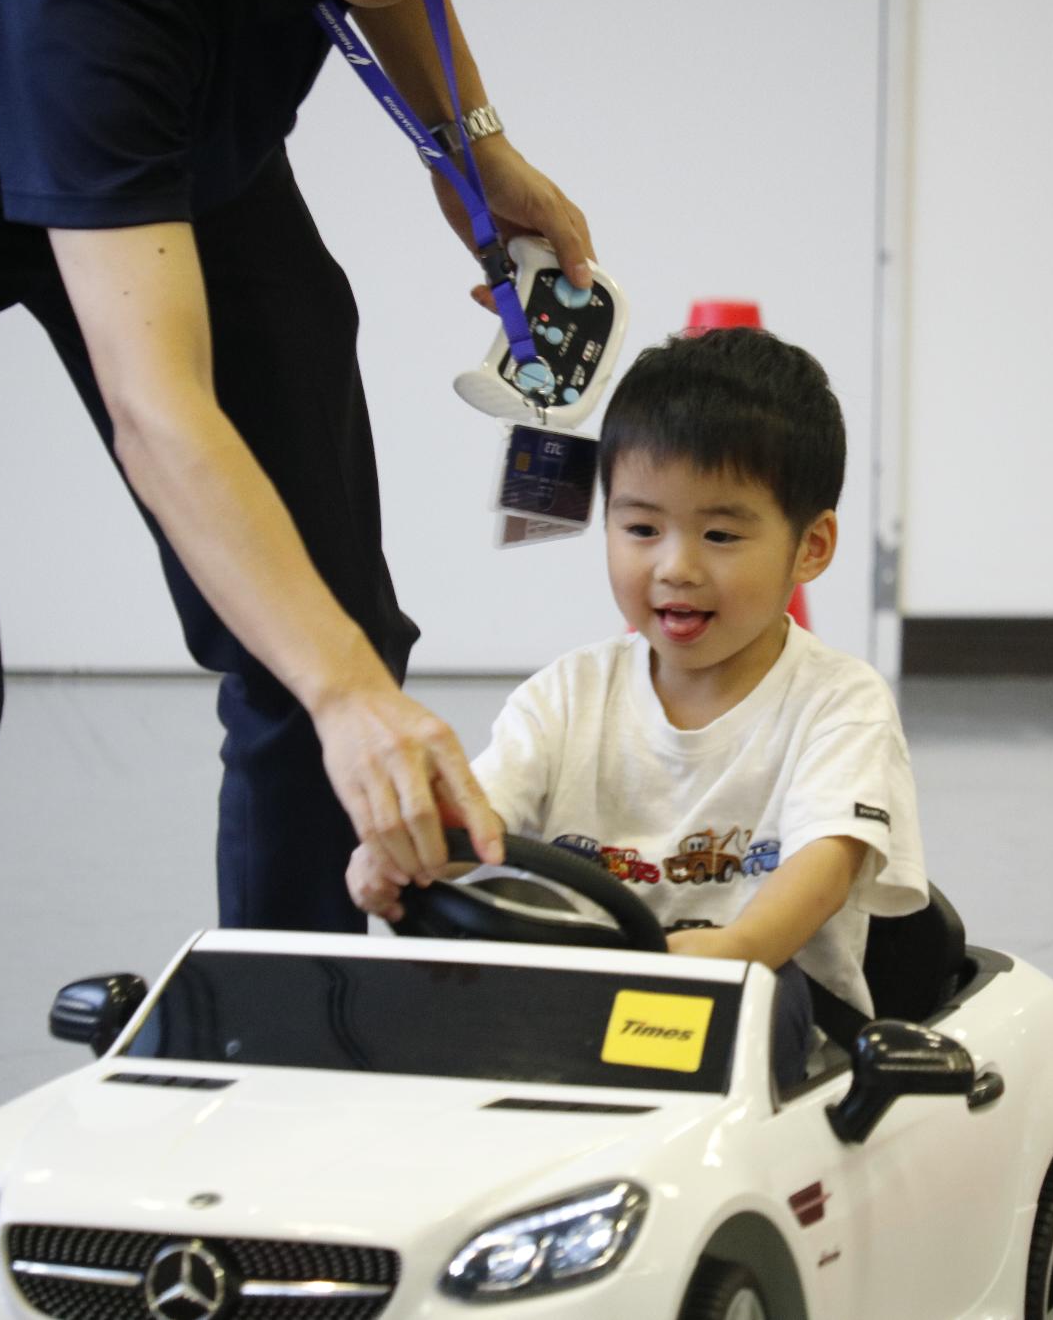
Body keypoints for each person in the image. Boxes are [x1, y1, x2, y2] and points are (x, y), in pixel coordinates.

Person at [0, 0, 586, 1303]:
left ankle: (272, 1131)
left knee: (329, 612)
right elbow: (160, 412)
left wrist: (474, 150)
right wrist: (349, 695)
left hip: (171, 144)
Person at [347, 327, 930, 1086]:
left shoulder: (838, 702)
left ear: (811, 546)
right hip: (577, 999)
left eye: (720, 533)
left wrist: (742, 944)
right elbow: (482, 815)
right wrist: (407, 847)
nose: (675, 566)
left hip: (757, 1005)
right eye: (642, 528)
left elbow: (825, 862)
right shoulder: (565, 695)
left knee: (711, 1020)